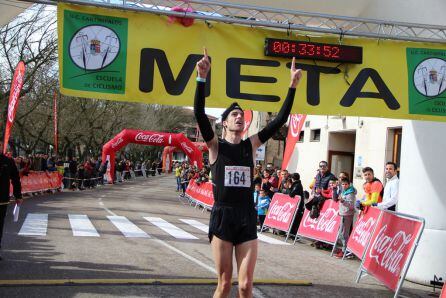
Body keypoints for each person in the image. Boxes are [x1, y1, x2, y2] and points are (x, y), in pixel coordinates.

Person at [194, 48, 301, 298]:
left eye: (242, 114)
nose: (240, 117)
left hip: (246, 216)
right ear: (225, 123)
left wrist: (292, 86)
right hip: (222, 215)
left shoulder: (250, 145)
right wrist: (201, 77)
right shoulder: (215, 146)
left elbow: (279, 120)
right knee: (224, 284)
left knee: (245, 286)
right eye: (234, 114)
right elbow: (199, 114)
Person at [0, 140, 23, 261]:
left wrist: (18, 195)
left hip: (2, 200)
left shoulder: (8, 162)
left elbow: (15, 179)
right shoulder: (8, 161)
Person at [332, 178, 356, 258]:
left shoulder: (351, 193)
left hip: (347, 214)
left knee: (344, 234)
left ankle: (345, 251)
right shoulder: (343, 191)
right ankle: (343, 249)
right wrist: (335, 188)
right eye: (343, 184)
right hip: (342, 213)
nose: (344, 186)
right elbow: (335, 198)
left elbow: (351, 206)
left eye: (346, 184)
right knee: (340, 233)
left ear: (349, 184)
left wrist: (343, 201)